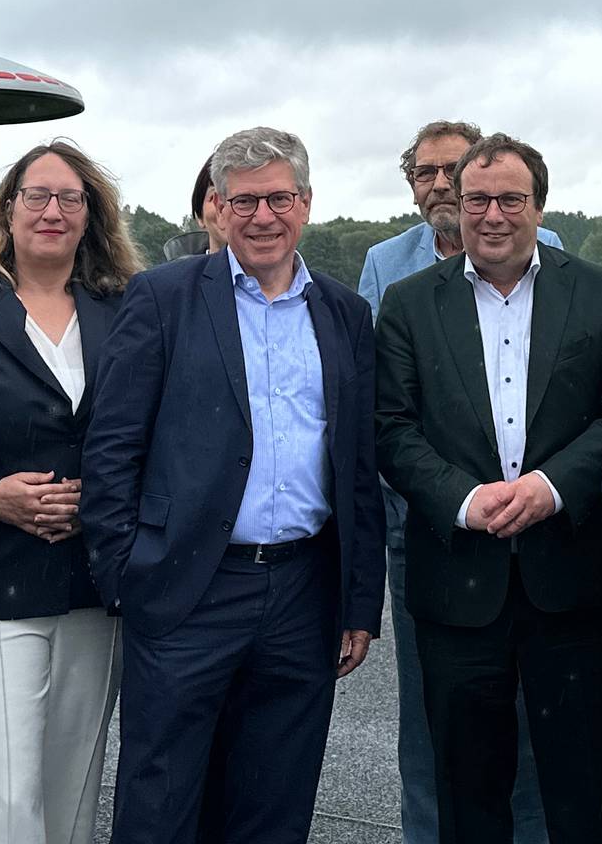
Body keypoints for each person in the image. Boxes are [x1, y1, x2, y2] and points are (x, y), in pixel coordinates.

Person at [81, 126, 386, 844]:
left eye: (279, 198)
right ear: (216, 208)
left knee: (273, 803)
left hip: (304, 591)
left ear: (306, 204)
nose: (262, 216)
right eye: (243, 200)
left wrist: (357, 601)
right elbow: (112, 446)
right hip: (189, 583)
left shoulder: (344, 313)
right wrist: (126, 573)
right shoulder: (162, 298)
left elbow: (357, 466)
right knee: (160, 799)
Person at [374, 134, 602, 844]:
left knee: (586, 787)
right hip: (457, 585)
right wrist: (461, 498)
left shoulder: (600, 292)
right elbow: (390, 428)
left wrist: (552, 486)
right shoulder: (407, 304)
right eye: (476, 199)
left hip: (570, 581)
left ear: (537, 206)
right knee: (468, 792)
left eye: (509, 199)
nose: (492, 215)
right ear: (456, 206)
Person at [356, 119, 565, 844]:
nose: (440, 186)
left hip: (535, 524)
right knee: (434, 722)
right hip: (435, 527)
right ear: (411, 184)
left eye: (454, 172)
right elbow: (384, 399)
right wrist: (451, 499)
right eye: (425, 174)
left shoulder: (551, 252)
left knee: (534, 721)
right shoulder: (387, 266)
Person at [0, 141, 142, 844]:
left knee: (73, 798)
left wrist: (103, 500)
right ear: (8, 210)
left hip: (96, 585)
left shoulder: (128, 313)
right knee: (3, 799)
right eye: (37, 196)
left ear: (91, 215)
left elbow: (158, 438)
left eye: (70, 198)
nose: (52, 211)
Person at [161, 160, 224, 261]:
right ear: (200, 217)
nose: (228, 206)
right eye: (215, 196)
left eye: (245, 200)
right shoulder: (174, 275)